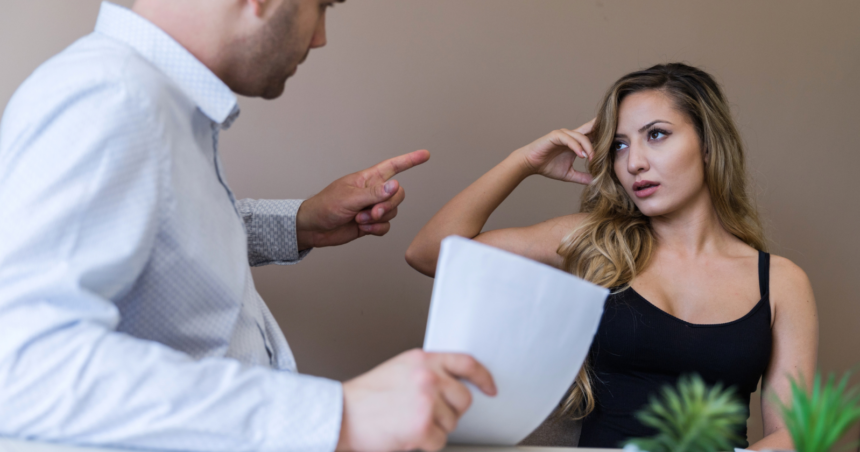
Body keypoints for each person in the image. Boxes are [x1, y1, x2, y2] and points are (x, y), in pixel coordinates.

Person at [0, 1, 496, 451]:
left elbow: (161, 233)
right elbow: (21, 366)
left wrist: (301, 224)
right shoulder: (113, 101)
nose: (320, 37)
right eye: (321, 6)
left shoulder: (148, 100)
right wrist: (337, 416)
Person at [406, 63, 818, 450]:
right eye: (620, 145)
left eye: (656, 135)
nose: (634, 162)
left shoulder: (781, 282)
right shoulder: (593, 241)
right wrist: (523, 162)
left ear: (709, 144)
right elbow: (429, 252)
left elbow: (791, 435)